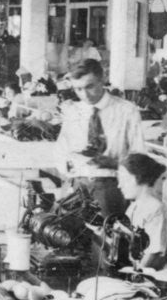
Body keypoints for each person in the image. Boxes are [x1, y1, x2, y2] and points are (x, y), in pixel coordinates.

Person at [55, 58, 145, 217]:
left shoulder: (126, 111)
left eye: (90, 86)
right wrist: (70, 164)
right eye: (78, 89)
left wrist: (115, 164)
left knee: (105, 238)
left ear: (102, 79)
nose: (85, 94)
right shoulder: (73, 111)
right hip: (77, 186)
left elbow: (139, 157)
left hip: (111, 188)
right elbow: (61, 151)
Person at [117, 153, 167, 270]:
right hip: (133, 269)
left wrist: (134, 274)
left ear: (140, 178)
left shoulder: (156, 209)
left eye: (125, 180)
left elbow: (154, 252)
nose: (119, 185)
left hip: (150, 276)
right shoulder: (133, 206)